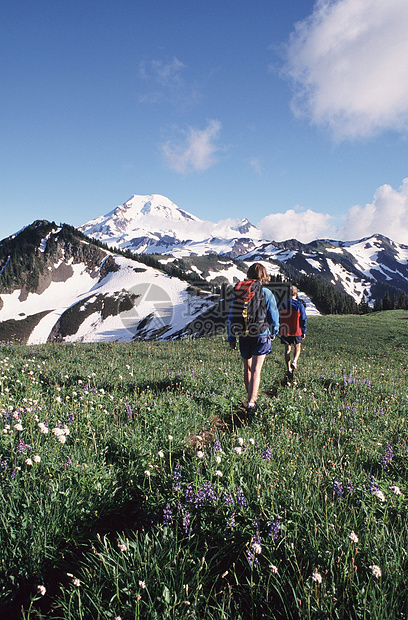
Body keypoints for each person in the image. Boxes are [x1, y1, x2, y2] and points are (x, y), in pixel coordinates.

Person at [227, 263, 279, 414]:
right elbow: (273, 315)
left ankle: (249, 396)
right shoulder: (267, 293)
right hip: (261, 334)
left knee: (247, 368)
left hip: (244, 334)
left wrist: (231, 337)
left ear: (249, 275)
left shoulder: (241, 292)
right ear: (264, 276)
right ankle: (251, 402)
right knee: (256, 370)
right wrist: (274, 331)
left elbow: (231, 315)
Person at [279, 285, 307, 378]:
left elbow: (279, 317)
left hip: (285, 330)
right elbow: (303, 318)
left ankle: (288, 369)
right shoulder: (299, 305)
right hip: (296, 330)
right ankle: (295, 361)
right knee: (297, 347)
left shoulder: (282, 304)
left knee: (287, 349)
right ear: (296, 294)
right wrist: (303, 330)